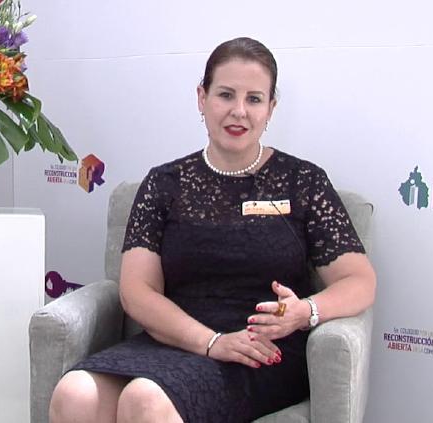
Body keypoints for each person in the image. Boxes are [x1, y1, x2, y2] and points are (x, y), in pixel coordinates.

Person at [49, 36, 376, 423]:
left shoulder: (303, 181)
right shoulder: (164, 183)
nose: (239, 111)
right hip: (177, 338)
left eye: (254, 99)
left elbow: (359, 281)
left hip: (260, 350)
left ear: (271, 109)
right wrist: (210, 342)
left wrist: (305, 311)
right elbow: (137, 291)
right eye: (225, 95)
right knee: (75, 393)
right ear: (202, 98)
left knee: (145, 399)